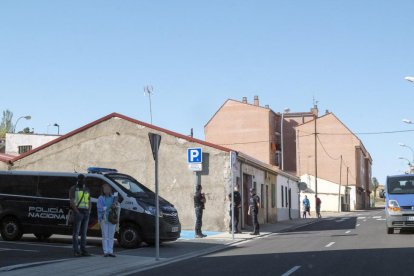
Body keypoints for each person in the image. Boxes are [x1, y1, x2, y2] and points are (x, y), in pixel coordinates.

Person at [69, 174, 92, 257]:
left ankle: (83, 250)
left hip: (86, 213)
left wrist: (89, 211)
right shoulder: (73, 189)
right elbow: (72, 202)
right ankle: (76, 251)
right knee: (76, 233)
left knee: (84, 233)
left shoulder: (87, 189)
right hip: (78, 212)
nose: (82, 181)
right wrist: (77, 211)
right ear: (77, 180)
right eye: (80, 179)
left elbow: (89, 201)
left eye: (83, 179)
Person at [97, 183, 118, 257]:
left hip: (112, 218)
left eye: (108, 189)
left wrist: (115, 206)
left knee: (111, 236)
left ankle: (110, 251)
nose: (107, 190)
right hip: (104, 218)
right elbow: (99, 208)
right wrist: (108, 207)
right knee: (105, 235)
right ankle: (105, 251)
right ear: (103, 190)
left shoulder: (113, 197)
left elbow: (118, 207)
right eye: (105, 189)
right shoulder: (100, 198)